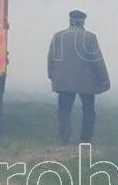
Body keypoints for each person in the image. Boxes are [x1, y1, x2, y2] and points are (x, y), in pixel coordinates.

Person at [47, 10, 110, 144]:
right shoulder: (90, 37)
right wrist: (103, 78)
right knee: (88, 110)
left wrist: (52, 75)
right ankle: (86, 139)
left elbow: (51, 58)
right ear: (83, 21)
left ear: (70, 20)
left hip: (63, 81)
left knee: (64, 110)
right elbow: (97, 60)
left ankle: (64, 138)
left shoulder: (58, 36)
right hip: (86, 81)